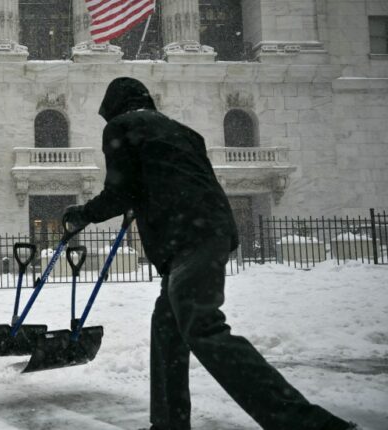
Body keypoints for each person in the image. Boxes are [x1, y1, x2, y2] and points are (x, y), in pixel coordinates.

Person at [62, 77, 355, 430]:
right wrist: (144, 199)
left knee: (202, 326)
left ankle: (308, 424)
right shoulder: (183, 132)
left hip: (186, 237)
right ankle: (168, 424)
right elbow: (178, 179)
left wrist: (82, 214)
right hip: (208, 229)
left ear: (113, 108)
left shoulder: (121, 127)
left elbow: (120, 191)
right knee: (167, 328)